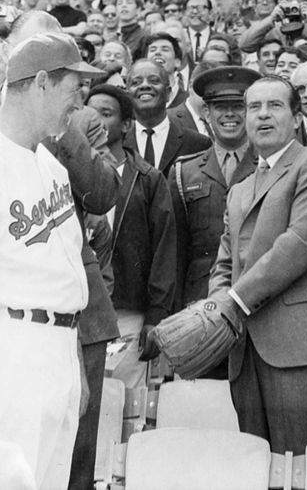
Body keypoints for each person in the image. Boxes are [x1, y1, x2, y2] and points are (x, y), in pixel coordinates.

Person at [208, 75, 307, 454]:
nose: (262, 115)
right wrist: (216, 306)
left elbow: (300, 243)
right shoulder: (239, 189)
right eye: (254, 107)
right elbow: (224, 261)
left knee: (301, 468)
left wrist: (232, 302)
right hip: (245, 349)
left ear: (296, 118)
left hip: (302, 347)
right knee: (257, 468)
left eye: (274, 106)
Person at [0, 32, 103, 489]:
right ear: (40, 82)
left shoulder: (52, 163)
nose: (78, 105)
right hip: (13, 344)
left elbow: (67, 273)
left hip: (60, 346)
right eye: (72, 91)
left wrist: (73, 362)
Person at [169, 65, 260, 378]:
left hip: (258, 306)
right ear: (206, 112)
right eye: (221, 107)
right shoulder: (184, 171)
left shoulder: (271, 168)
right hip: (202, 309)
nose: (230, 115)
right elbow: (177, 253)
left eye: (239, 106)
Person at [86, 84, 177, 388]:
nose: (95, 119)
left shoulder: (148, 178)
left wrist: (156, 316)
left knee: (123, 402)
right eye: (89, 112)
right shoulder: (67, 171)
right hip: (80, 305)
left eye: (106, 113)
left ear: (126, 125)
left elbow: (164, 249)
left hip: (127, 310)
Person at [123, 58, 211, 179]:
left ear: (168, 93)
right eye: (136, 82)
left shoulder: (198, 144)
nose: (144, 85)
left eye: (153, 81)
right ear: (128, 95)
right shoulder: (118, 143)